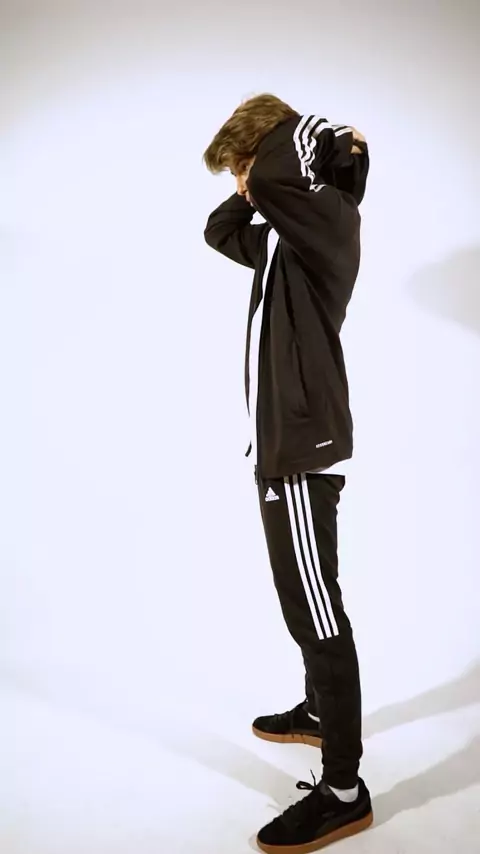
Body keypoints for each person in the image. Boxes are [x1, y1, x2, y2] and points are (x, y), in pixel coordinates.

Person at [203, 93, 371, 853]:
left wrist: (312, 138)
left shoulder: (328, 221)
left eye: (245, 165)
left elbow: (292, 164)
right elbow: (218, 230)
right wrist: (243, 186)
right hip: (280, 445)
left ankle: (345, 790)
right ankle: (319, 708)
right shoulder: (283, 237)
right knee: (299, 599)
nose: (247, 183)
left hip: (302, 447)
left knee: (317, 611)